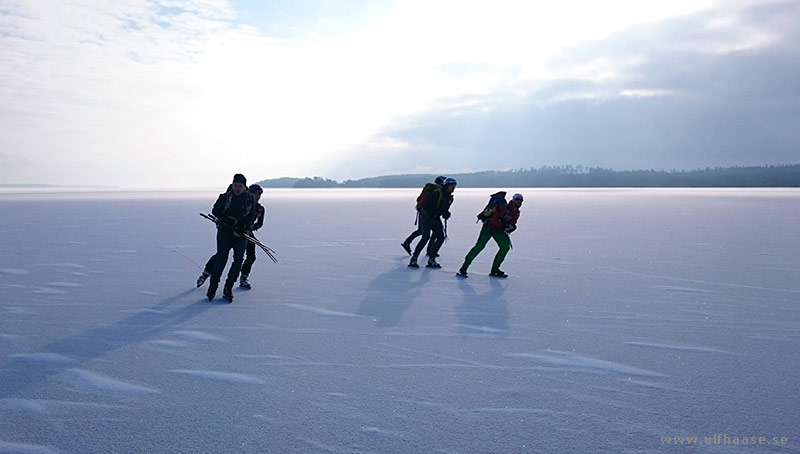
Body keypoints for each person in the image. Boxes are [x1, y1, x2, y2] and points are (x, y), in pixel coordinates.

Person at [197, 183, 265, 290]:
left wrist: (249, 227)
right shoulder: (245, 203)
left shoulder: (260, 209)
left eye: (259, 194)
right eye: (255, 193)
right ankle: (206, 274)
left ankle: (244, 277)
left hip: (246, 234)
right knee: (221, 255)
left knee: (251, 256)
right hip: (232, 233)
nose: (257, 196)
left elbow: (259, 224)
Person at [205, 174, 256, 302]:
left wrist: (242, 226)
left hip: (240, 234)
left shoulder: (250, 200)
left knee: (238, 261)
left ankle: (228, 289)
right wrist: (226, 220)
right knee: (221, 259)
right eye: (235, 185)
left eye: (240, 186)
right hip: (224, 232)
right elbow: (215, 210)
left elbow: (252, 216)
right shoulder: (225, 197)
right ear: (232, 185)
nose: (237, 188)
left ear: (245, 187)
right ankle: (212, 288)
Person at [457, 192, 523, 278]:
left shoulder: (516, 212)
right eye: (517, 199)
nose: (519, 202)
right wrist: (504, 225)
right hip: (488, 228)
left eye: (521, 200)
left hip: (498, 230)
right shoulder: (503, 207)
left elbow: (512, 222)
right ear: (513, 200)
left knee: (505, 247)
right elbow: (495, 220)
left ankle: (495, 269)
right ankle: (464, 268)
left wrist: (512, 226)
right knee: (479, 247)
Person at [409, 177, 457, 269]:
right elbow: (428, 207)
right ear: (447, 185)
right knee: (425, 237)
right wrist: (438, 212)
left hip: (435, 218)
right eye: (452, 186)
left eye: (454, 186)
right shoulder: (437, 193)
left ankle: (431, 259)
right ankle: (414, 258)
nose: (453, 188)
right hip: (427, 217)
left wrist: (446, 213)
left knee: (441, 238)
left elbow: (444, 209)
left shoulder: (448, 196)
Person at [401, 176, 446, 256]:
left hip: (425, 214)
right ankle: (428, 250)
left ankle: (408, 242)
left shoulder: (433, 190)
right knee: (425, 233)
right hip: (426, 214)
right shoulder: (434, 191)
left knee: (423, 231)